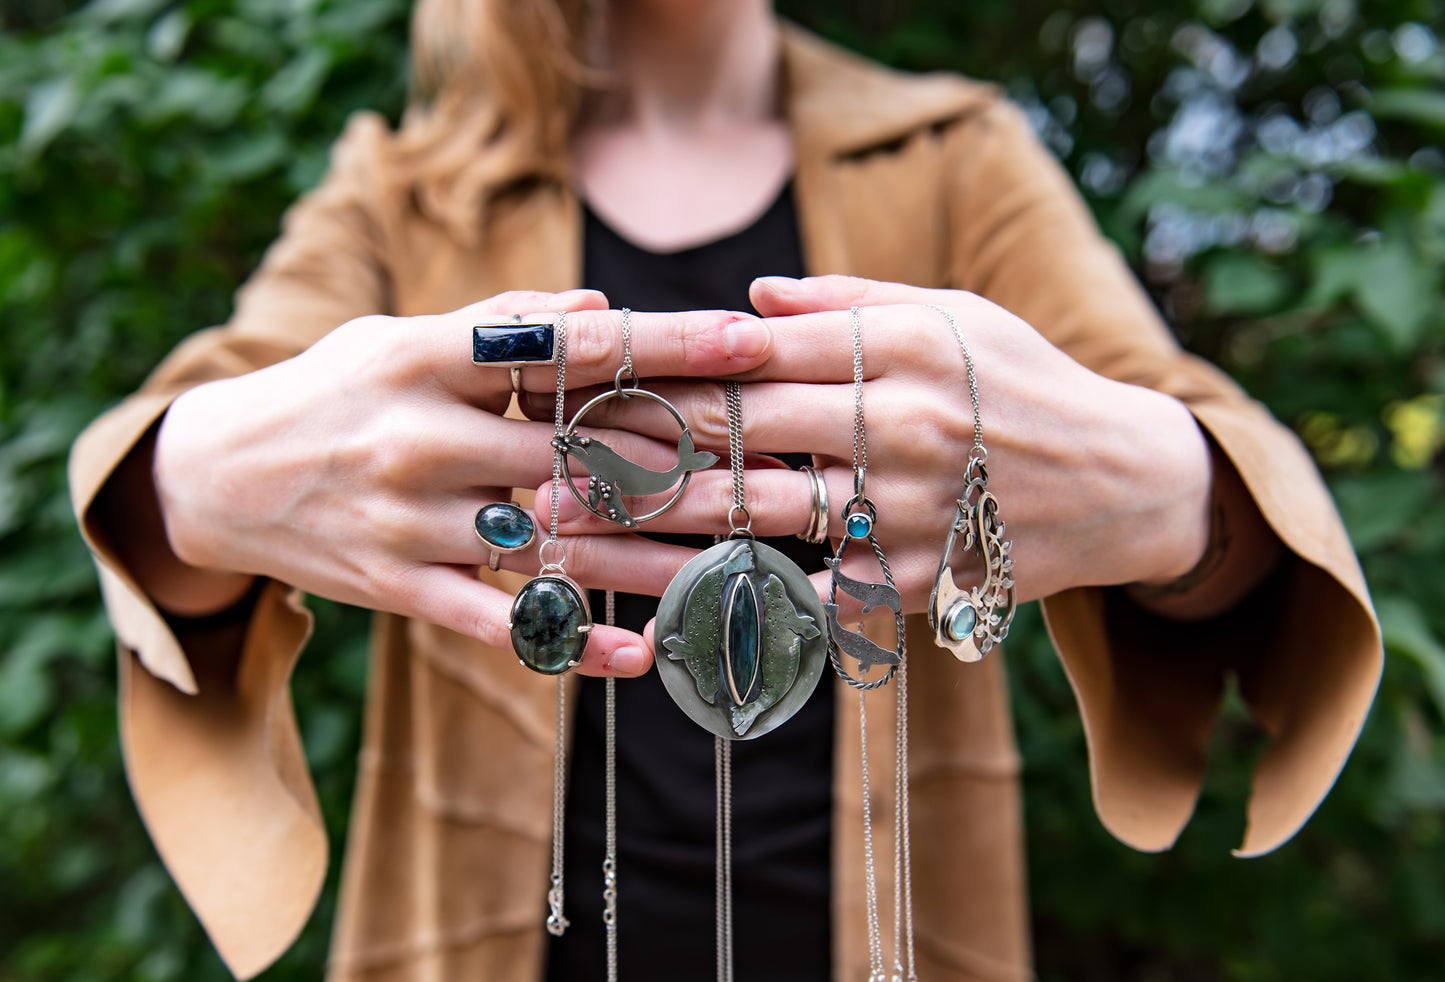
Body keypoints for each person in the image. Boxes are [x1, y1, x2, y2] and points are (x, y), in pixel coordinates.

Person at [68, 1, 1382, 980]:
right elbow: (174, 478)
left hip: (881, 936)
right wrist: (196, 480)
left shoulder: (952, 155)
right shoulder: (406, 188)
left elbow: (1218, 476)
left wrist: (1167, 492)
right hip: (496, 940)